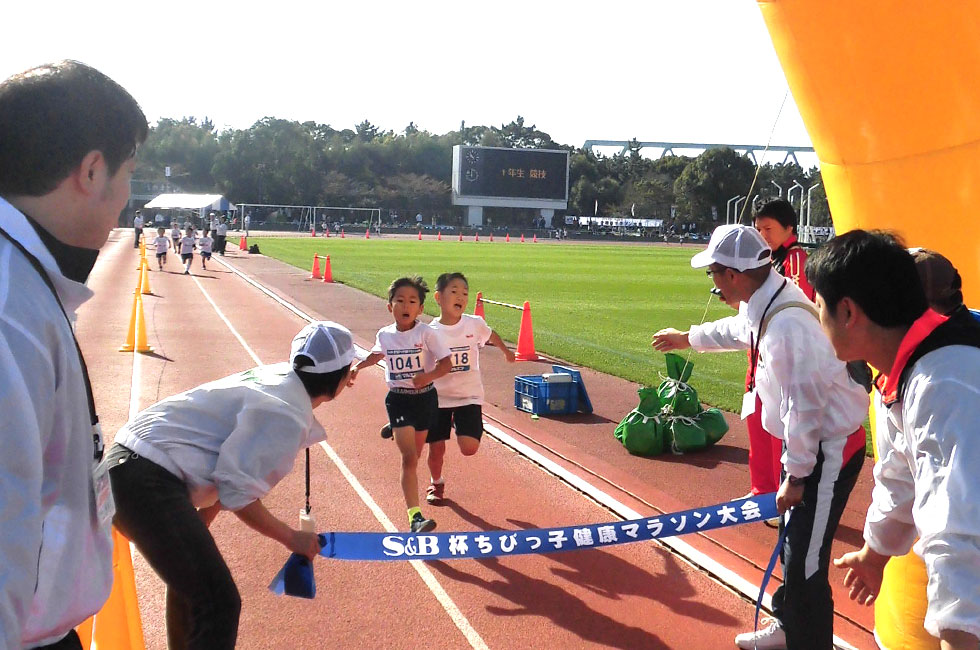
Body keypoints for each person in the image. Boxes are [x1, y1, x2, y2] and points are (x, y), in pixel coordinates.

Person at [651, 224, 869, 650]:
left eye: (712, 273)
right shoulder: (766, 298)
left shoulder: (788, 328)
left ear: (732, 274)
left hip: (827, 451)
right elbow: (739, 329)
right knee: (793, 547)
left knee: (806, 563)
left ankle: (808, 641)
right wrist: (688, 337)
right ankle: (789, 627)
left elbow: (806, 409)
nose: (712, 284)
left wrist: (796, 474)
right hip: (810, 448)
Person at [0, 60, 147, 650]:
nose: (127, 198)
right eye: (128, 172)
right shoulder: (10, 308)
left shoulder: (26, 280)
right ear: (92, 170)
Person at [107, 321, 354, 649]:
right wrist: (292, 538)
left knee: (194, 588)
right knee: (219, 603)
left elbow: (228, 461)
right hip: (146, 477)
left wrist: (203, 519)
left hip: (132, 463)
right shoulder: (287, 413)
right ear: (340, 377)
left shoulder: (279, 378)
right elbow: (238, 492)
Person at [806, 231, 980, 650]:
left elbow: (960, 531)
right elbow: (900, 472)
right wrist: (874, 553)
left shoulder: (942, 383)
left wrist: (959, 635)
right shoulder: (906, 365)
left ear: (848, 312)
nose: (816, 317)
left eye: (818, 306)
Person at [348, 276, 452, 532]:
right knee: (409, 459)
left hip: (426, 399)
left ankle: (394, 428)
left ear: (420, 308)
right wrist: (357, 367)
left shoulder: (427, 333)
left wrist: (428, 376)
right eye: (400, 301)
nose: (406, 306)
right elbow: (376, 354)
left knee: (416, 455)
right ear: (390, 306)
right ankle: (415, 517)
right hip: (399, 400)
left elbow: (446, 363)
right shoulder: (385, 335)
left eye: (412, 301)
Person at [742, 199, 816, 512]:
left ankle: (779, 498)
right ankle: (762, 491)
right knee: (757, 424)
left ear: (789, 228)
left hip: (783, 358)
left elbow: (796, 302)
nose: (762, 235)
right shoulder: (768, 260)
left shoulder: (796, 259)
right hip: (758, 353)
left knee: (778, 430)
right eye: (758, 229)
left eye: (768, 229)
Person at [421, 272, 515, 503]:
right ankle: (436, 484)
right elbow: (423, 368)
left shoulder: (474, 324)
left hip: (469, 396)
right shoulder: (429, 333)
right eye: (454, 292)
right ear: (438, 297)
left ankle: (458, 422)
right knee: (436, 449)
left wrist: (506, 351)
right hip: (439, 398)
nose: (461, 297)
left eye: (465, 293)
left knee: (469, 448)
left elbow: (492, 335)